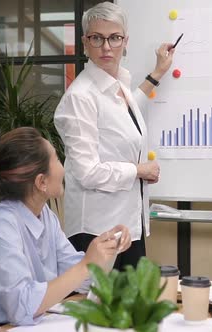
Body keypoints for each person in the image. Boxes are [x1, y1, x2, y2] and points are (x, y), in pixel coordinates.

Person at [54, 2, 175, 268]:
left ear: (125, 41)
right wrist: (138, 170)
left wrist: (158, 73)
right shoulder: (80, 97)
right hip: (98, 233)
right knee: (102, 309)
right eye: (97, 38)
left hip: (128, 228)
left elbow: (125, 114)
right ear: (85, 42)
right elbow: (87, 172)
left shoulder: (118, 86)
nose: (106, 47)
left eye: (114, 38)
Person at [0, 127, 131, 326]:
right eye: (56, 159)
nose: (63, 168)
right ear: (42, 182)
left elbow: (81, 280)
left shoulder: (45, 215)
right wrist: (86, 265)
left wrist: (107, 248)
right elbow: (24, 307)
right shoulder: (1, 225)